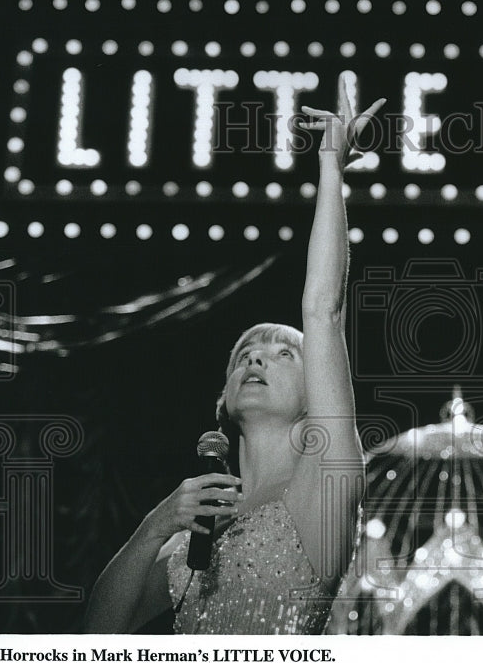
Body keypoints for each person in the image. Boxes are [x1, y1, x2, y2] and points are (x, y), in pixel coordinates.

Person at [84, 78, 385, 634]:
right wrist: (153, 528)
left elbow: (322, 309)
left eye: (282, 353)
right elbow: (99, 636)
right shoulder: (192, 531)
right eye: (245, 352)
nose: (257, 359)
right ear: (222, 399)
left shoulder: (325, 482)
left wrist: (331, 168)